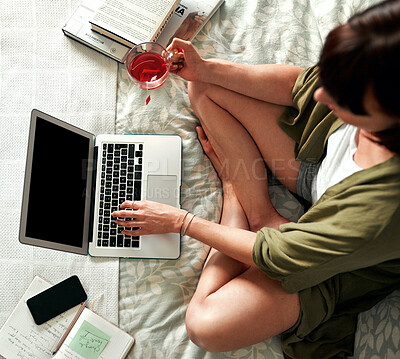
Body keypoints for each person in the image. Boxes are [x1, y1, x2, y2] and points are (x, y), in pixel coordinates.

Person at [112, 0, 400, 357]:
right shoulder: (377, 67)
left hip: (333, 261)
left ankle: (238, 202)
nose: (323, 96)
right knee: (204, 86)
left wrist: (181, 221)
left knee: (206, 327)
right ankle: (262, 215)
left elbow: (282, 254)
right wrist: (204, 68)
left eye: (345, 99)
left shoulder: (381, 211)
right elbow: (301, 84)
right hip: (318, 163)